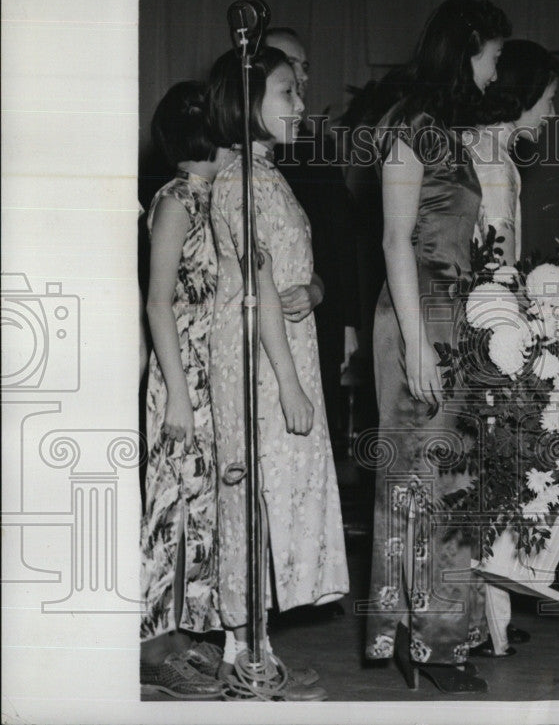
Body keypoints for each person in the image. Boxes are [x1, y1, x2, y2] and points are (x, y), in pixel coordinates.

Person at [363, 0, 511, 694]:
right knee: (418, 483)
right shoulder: (412, 127)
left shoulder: (445, 130)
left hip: (447, 314)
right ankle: (422, 639)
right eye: (494, 55)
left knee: (449, 483)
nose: (495, 70)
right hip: (416, 312)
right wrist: (420, 344)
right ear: (470, 46)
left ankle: (443, 635)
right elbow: (396, 238)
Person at [207, 46, 350, 700]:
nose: (300, 106)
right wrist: (290, 381)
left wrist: (315, 289)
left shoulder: (265, 173)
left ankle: (253, 649)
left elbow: (290, 270)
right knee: (251, 495)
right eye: (287, 92)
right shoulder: (238, 178)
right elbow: (256, 282)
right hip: (261, 360)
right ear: (248, 103)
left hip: (283, 346)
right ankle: (247, 656)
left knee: (269, 497)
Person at [463, 39, 559, 657]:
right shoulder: (492, 159)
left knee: (490, 470)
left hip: (486, 313)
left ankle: (489, 617)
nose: (553, 114)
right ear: (523, 95)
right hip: (488, 322)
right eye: (549, 100)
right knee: (488, 470)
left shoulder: (491, 148)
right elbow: (492, 260)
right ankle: (481, 620)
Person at [139, 81, 229, 699]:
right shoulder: (176, 199)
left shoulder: (211, 198)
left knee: (197, 512)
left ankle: (181, 637)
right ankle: (150, 646)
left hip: (204, 373)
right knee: (167, 510)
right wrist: (176, 393)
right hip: (179, 377)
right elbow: (158, 301)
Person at [264, 28, 360, 453]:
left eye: (304, 67)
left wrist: (347, 323)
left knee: (316, 439)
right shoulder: (240, 162)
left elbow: (340, 242)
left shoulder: (317, 147)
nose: (302, 77)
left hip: (318, 310)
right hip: (265, 313)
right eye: (292, 67)